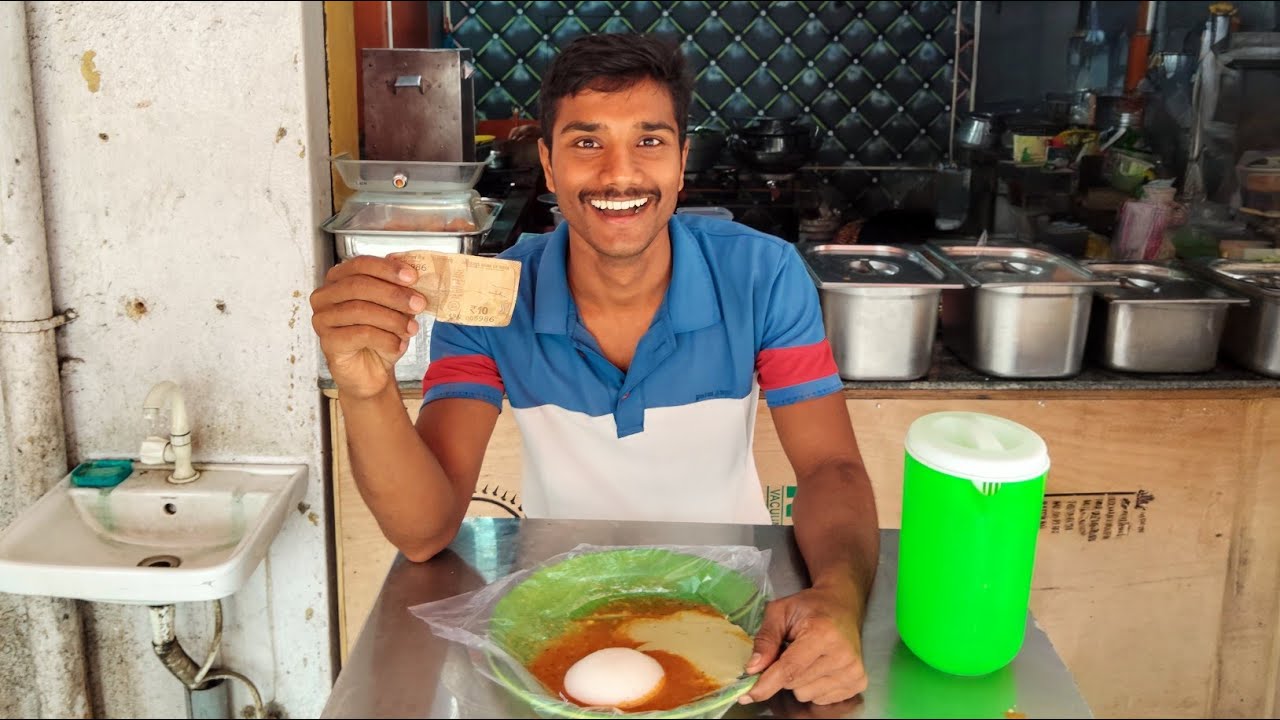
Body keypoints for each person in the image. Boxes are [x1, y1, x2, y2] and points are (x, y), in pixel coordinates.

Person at [310, 32, 879, 707]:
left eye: (649, 140)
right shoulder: (495, 299)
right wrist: (364, 386)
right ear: (548, 165)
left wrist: (837, 600)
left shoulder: (762, 275)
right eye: (586, 142)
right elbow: (425, 531)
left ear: (681, 160)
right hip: (557, 620)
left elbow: (830, 471)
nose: (619, 175)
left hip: (731, 616)